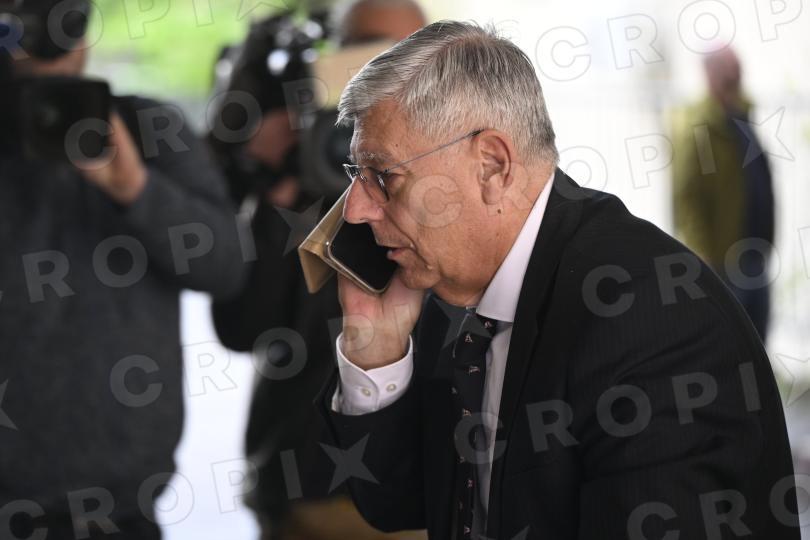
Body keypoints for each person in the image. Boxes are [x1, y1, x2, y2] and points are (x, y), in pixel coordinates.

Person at [316, 21, 798, 539]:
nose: (356, 209)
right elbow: (400, 504)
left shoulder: (653, 323)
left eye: (383, 176)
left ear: (492, 165)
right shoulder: (447, 297)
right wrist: (377, 348)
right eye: (356, 175)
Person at [0, 2, 246, 538]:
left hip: (123, 508)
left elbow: (225, 267)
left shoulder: (147, 128)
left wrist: (135, 187)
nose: (46, 43)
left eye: (63, 22)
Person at [207, 1, 426, 538]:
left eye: (404, 53)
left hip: (420, 491)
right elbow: (241, 327)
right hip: (302, 483)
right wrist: (276, 186)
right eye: (362, 48)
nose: (381, 66)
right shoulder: (302, 168)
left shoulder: (453, 175)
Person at [672, 48, 775, 340]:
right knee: (729, 341)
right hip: (723, 261)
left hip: (755, 252)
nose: (736, 77)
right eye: (729, 71)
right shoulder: (700, 127)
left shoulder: (741, 116)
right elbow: (687, 196)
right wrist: (699, 252)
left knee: (757, 342)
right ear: (710, 75)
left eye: (738, 71)